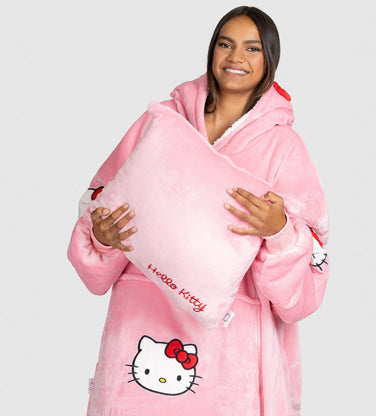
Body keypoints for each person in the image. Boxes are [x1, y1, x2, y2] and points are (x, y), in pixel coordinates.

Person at [68, 6, 329, 416]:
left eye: (252, 48)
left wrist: (279, 231)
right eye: (225, 44)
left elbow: (306, 281)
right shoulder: (161, 122)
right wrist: (102, 235)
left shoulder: (284, 149)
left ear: (270, 60)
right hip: (139, 327)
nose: (236, 57)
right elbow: (102, 202)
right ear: (211, 50)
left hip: (231, 349)